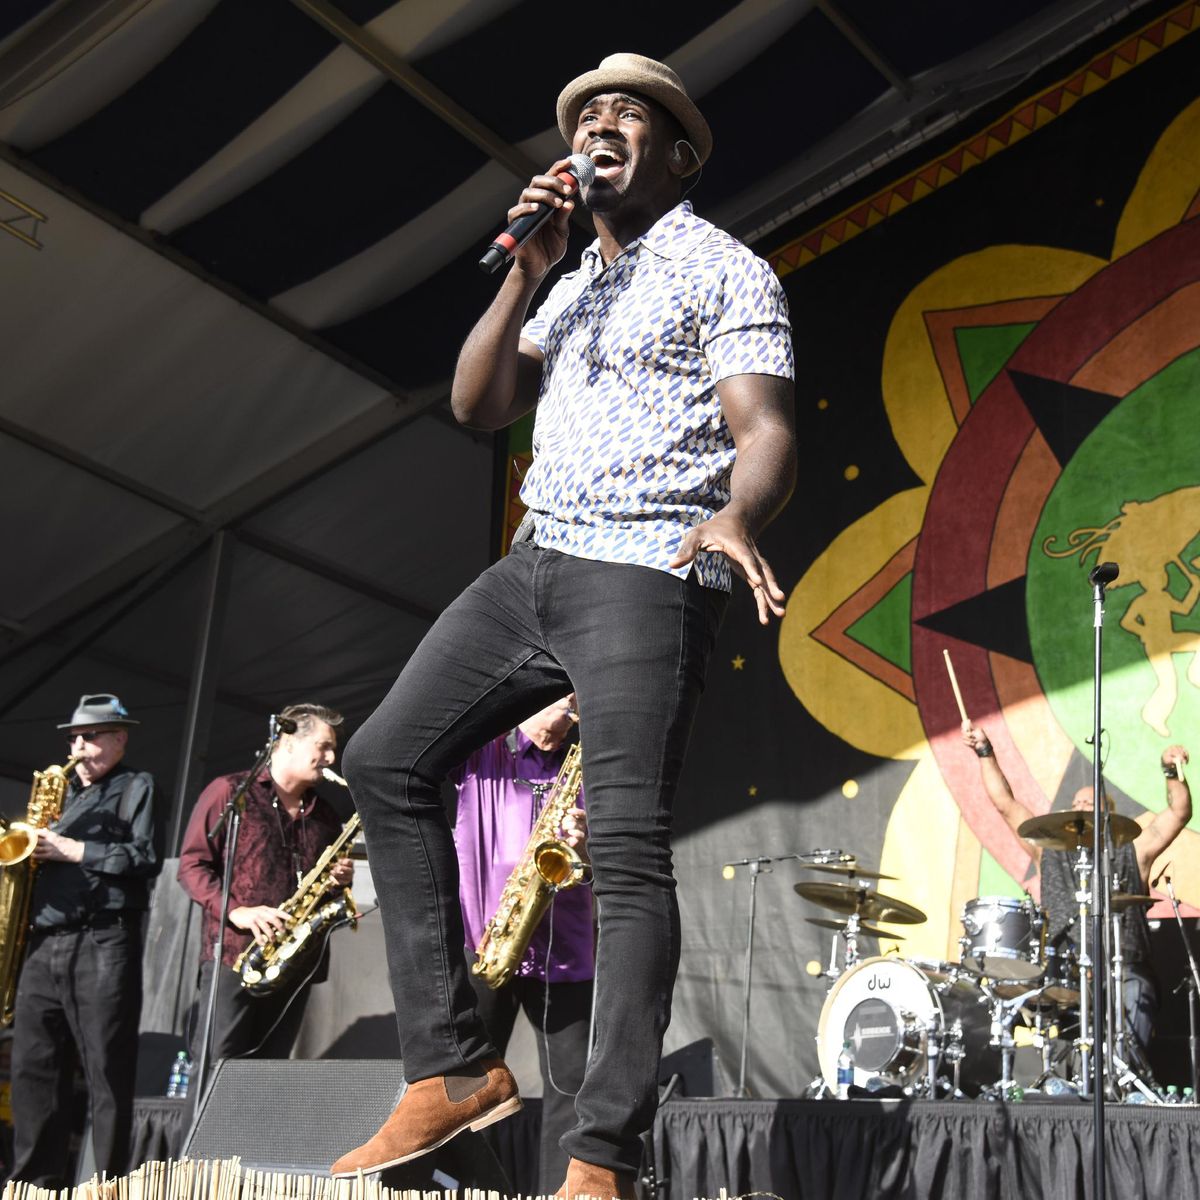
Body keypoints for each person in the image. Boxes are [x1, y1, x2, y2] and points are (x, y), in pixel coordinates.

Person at [334, 52, 795, 1200]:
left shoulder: (722, 266)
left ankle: (603, 1158)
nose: (600, 126)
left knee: (627, 851)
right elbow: (477, 403)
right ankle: (454, 1068)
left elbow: (766, 427)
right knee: (386, 758)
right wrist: (525, 271)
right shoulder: (570, 281)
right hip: (534, 562)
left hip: (646, 563)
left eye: (627, 114)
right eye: (587, 114)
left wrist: (738, 513)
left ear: (677, 155)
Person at [961, 719, 1191, 1061]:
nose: (1082, 808)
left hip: (1123, 969)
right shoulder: (1048, 852)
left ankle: (1123, 1075)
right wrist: (984, 750)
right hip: (1065, 974)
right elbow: (1005, 803)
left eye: (1091, 804)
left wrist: (1170, 771)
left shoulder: (1133, 850)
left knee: (1134, 992)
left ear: (1109, 815)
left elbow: (1179, 812)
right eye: (1077, 803)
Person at [8, 694, 161, 1187]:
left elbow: (146, 857)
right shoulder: (61, 793)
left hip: (103, 939)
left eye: (90, 736)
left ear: (119, 739)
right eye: (74, 737)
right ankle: (33, 1185)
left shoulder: (137, 785)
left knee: (106, 1069)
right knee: (33, 1067)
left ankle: (106, 1185)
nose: (78, 746)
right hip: (45, 939)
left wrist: (74, 849)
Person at [453, 694, 591, 1193]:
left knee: (571, 1086)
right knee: (469, 1083)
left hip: (564, 948)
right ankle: (471, 1187)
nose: (573, 707)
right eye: (564, 698)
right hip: (487, 939)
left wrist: (587, 841)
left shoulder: (587, 764)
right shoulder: (482, 752)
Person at [177, 703, 352, 1065]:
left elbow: (324, 889)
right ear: (287, 742)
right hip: (235, 956)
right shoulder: (230, 792)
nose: (331, 758)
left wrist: (338, 882)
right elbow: (191, 865)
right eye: (323, 747)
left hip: (293, 964)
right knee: (217, 1069)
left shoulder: (325, 815)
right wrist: (235, 911)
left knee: (268, 1076)